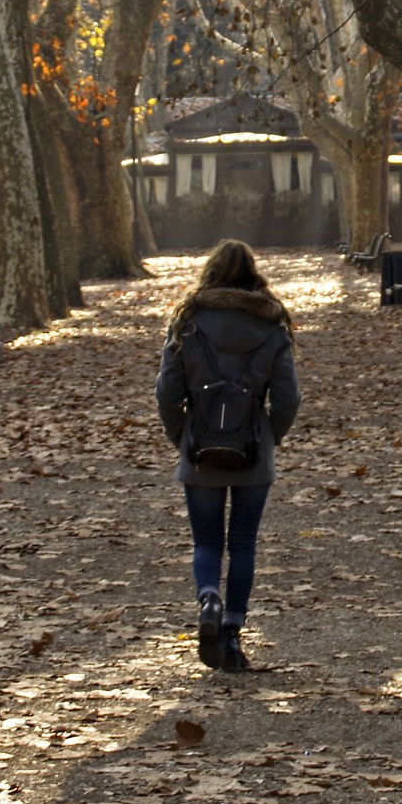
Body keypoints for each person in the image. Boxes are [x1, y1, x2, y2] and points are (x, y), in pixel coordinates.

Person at [156, 239, 300, 673]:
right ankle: (234, 633)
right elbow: (289, 398)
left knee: (206, 541)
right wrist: (268, 436)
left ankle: (208, 598)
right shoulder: (273, 326)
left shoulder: (188, 322)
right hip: (253, 452)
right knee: (242, 544)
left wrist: (181, 435)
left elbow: (166, 392)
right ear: (254, 274)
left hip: (201, 449)